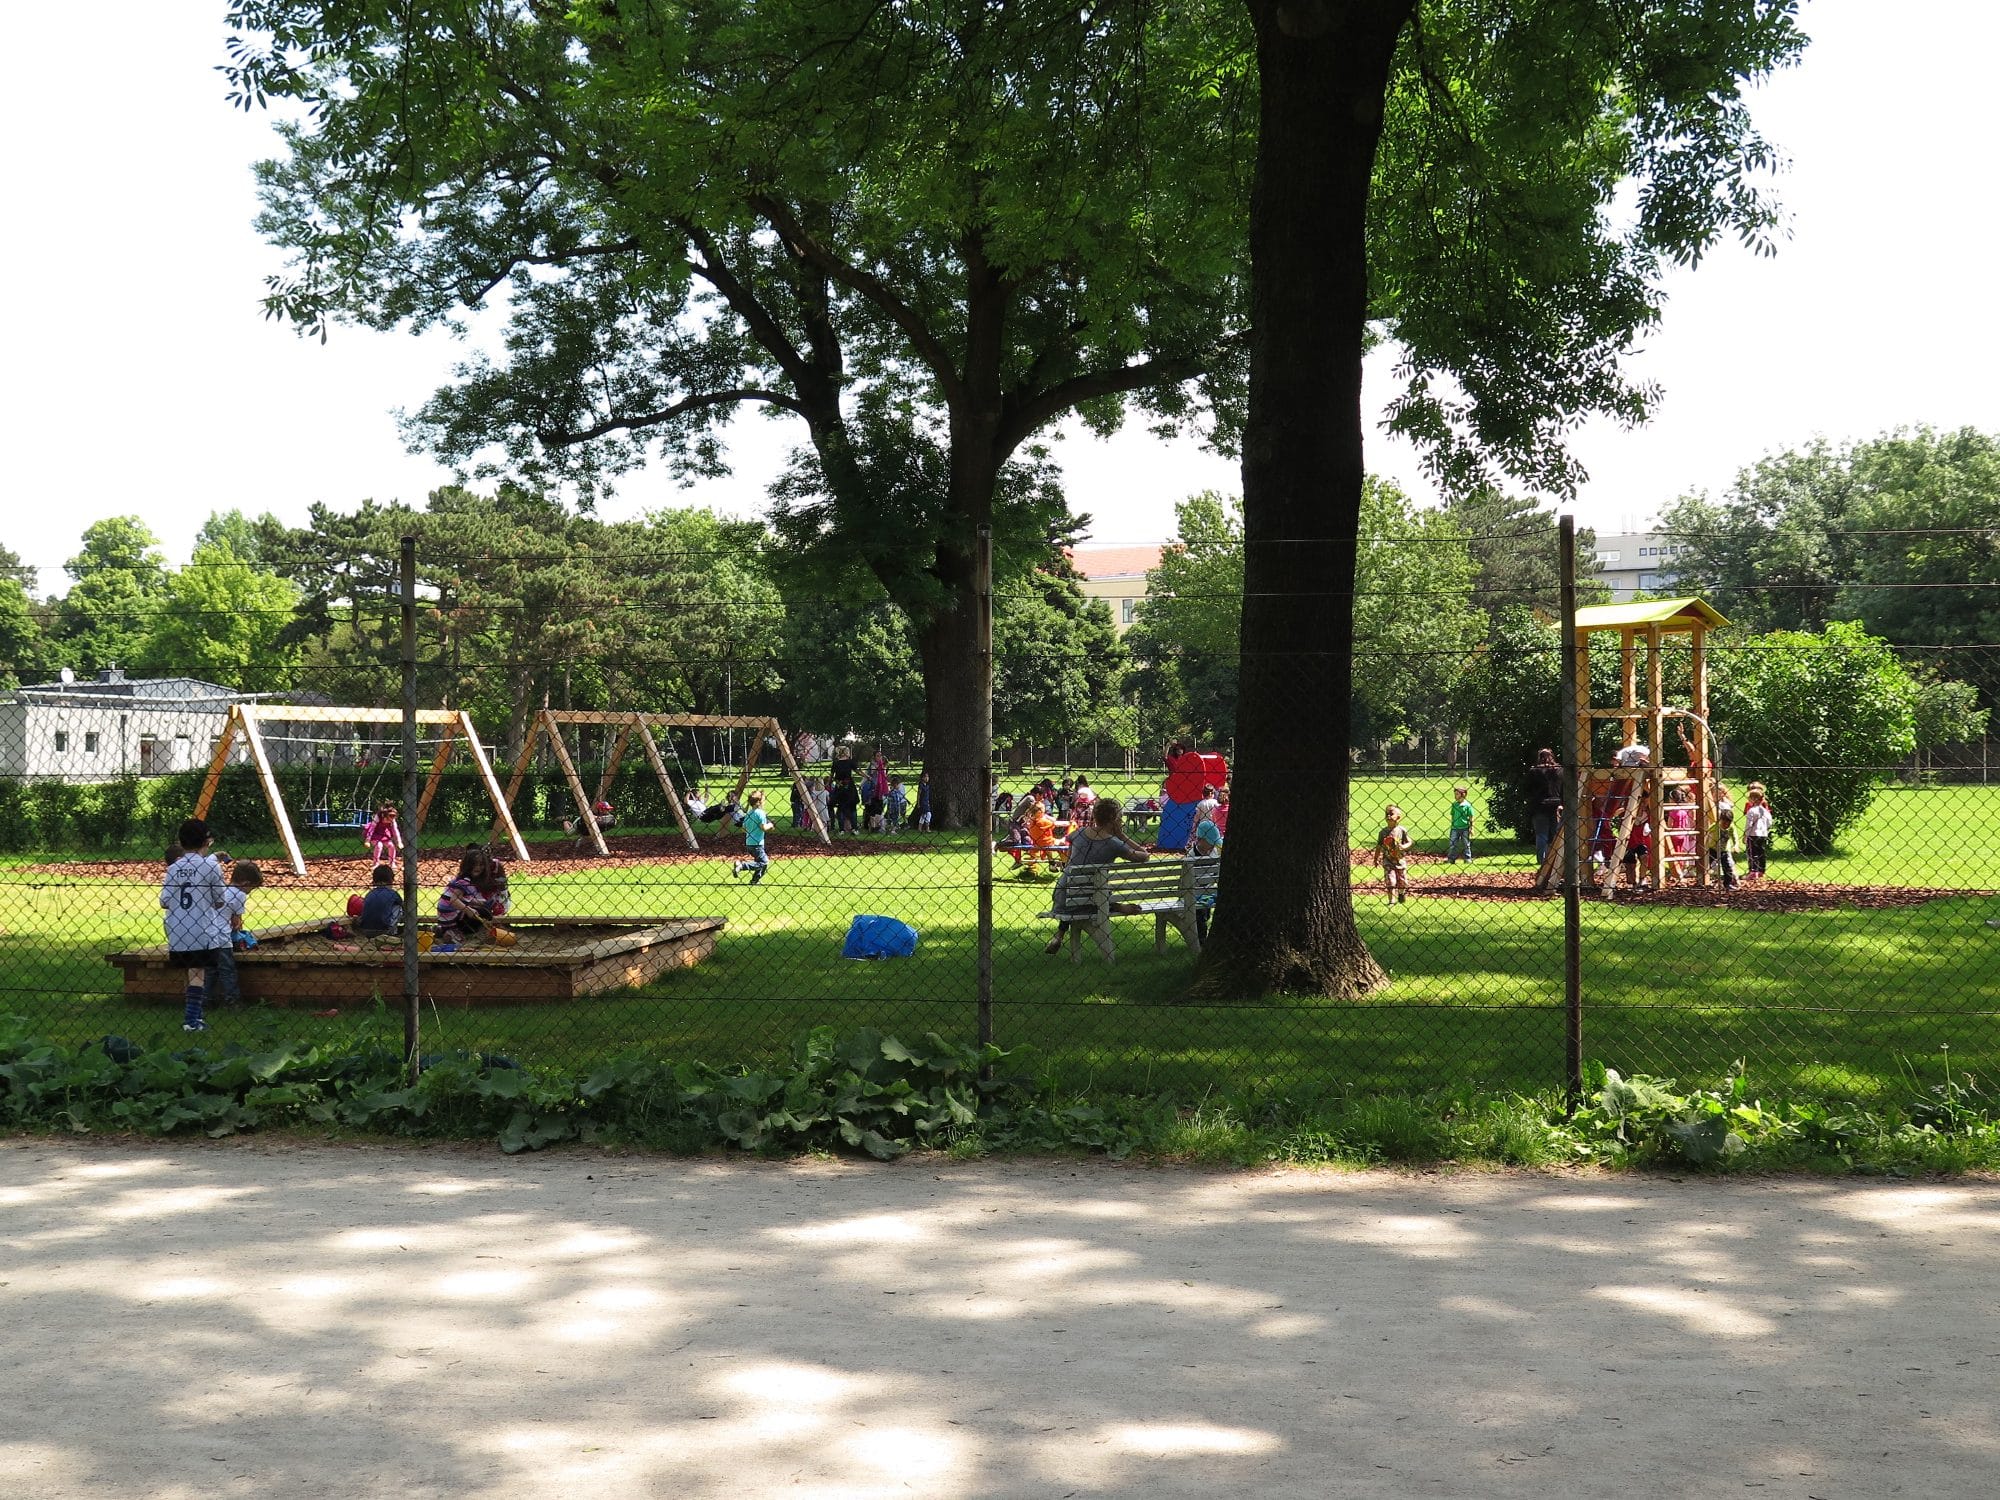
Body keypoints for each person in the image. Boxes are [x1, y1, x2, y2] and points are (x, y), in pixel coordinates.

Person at [1045, 798, 1151, 954]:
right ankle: (1117, 906)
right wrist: (1121, 836)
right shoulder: (1114, 843)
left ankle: (1059, 935)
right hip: (1093, 899)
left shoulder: (1078, 833)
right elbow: (1145, 856)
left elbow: (1069, 858)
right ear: (1115, 819)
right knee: (1094, 887)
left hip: (1063, 897)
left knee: (1080, 884)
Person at [161, 817, 230, 1032]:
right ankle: (192, 1020)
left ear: (181, 843)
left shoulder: (174, 868)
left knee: (189, 972)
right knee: (198, 973)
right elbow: (220, 900)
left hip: (178, 929)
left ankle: (193, 1016)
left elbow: (164, 900)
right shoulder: (211, 867)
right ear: (207, 841)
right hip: (202, 928)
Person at [207, 860, 265, 1010]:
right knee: (227, 970)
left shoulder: (223, 890)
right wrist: (240, 936)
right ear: (245, 883)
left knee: (210, 970)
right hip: (222, 938)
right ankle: (232, 1000)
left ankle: (206, 1000)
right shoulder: (239, 894)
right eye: (251, 888)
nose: (250, 892)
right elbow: (237, 922)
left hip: (207, 935)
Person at [434, 848, 494, 948]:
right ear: (467, 865)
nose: (478, 867)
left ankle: (443, 930)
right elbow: (454, 900)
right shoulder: (465, 881)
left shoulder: (464, 879)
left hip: (445, 916)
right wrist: (468, 910)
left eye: (481, 864)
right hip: (451, 916)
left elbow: (463, 898)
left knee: (483, 909)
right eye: (474, 864)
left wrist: (480, 902)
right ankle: (451, 933)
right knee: (484, 914)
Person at [1527, 748, 1564, 864]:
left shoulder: (1534, 771)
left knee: (1541, 833)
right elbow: (1563, 788)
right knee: (1554, 833)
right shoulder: (1559, 770)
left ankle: (1541, 859)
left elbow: (1528, 789)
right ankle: (1552, 859)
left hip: (1539, 805)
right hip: (1556, 804)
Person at [731, 789, 772, 884]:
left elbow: (743, 828)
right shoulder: (761, 813)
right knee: (764, 862)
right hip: (757, 843)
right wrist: (770, 825)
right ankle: (742, 866)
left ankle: (754, 880)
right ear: (759, 802)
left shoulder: (749, 813)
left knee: (760, 863)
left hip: (749, 842)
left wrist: (752, 830)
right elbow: (763, 828)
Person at [1376, 804, 1412, 904]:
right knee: (1390, 881)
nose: (1388, 816)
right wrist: (1375, 858)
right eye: (1387, 814)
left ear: (1398, 817)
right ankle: (1391, 900)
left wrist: (1403, 847)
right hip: (1387, 860)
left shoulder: (1402, 830)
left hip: (1400, 860)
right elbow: (1379, 846)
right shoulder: (1382, 832)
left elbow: (1409, 841)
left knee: (1402, 881)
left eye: (1391, 814)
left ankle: (1401, 894)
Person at [356, 862, 404, 935]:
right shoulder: (392, 893)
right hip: (384, 929)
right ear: (391, 880)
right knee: (398, 907)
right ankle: (393, 931)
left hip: (366, 929)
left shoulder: (369, 894)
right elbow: (403, 906)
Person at [1742, 782, 1773, 881]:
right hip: (1763, 834)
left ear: (1753, 799)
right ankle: (1761, 870)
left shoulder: (1752, 811)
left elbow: (1749, 824)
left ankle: (1753, 871)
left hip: (1753, 834)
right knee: (1761, 852)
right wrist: (1765, 829)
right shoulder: (1765, 811)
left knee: (1752, 853)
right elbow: (1769, 822)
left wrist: (1745, 834)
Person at [1709, 804, 1740, 891]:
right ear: (1720, 820)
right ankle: (1704, 879)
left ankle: (1728, 884)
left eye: (1728, 823)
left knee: (1727, 867)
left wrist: (1736, 845)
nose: (1726, 825)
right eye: (1724, 823)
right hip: (1713, 848)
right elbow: (1707, 832)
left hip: (1724, 850)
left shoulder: (1731, 827)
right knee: (1707, 864)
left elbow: (1735, 837)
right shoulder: (1715, 826)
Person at [830, 750, 859, 835]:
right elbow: (858, 771)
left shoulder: (835, 763)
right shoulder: (850, 762)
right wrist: (867, 777)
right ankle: (854, 828)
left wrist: (830, 783)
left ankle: (841, 829)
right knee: (852, 809)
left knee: (840, 809)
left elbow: (832, 776)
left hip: (840, 787)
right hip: (849, 787)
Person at [1446, 784, 1477, 863]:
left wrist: (1471, 828)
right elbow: (1452, 815)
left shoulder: (1467, 806)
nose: (1455, 796)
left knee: (1466, 844)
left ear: (1463, 794)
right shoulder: (1454, 805)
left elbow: (1471, 817)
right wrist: (1453, 824)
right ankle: (1451, 859)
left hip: (1465, 828)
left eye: (1457, 794)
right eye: (1455, 794)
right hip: (1455, 828)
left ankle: (1467, 858)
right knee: (1453, 844)